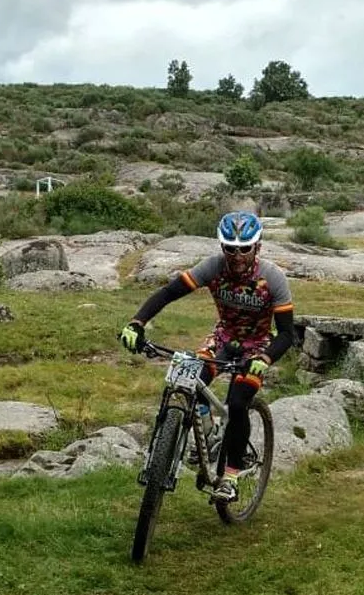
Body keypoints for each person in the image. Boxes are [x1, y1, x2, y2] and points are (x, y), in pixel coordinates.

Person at [119, 211, 295, 502]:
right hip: (222, 339)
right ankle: (208, 434)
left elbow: (288, 334)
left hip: (257, 346)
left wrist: (265, 359)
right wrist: (137, 322)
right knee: (187, 383)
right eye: (230, 248)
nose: (237, 255)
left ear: (258, 247)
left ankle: (231, 476)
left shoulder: (273, 278)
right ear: (221, 247)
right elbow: (167, 293)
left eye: (244, 248)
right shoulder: (213, 267)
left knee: (237, 403)